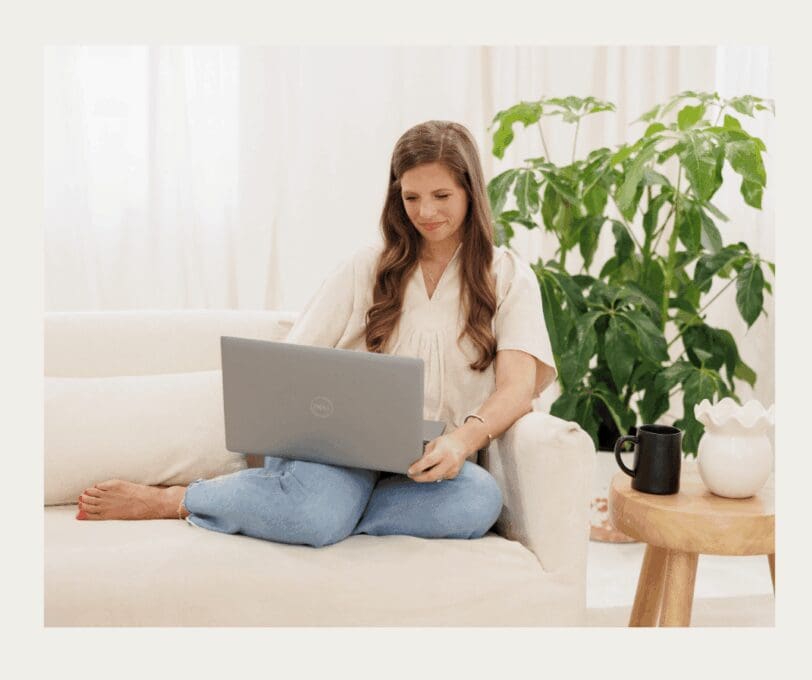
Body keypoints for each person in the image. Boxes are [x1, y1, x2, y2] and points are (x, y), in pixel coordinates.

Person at [77, 120, 556, 546]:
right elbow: (293, 365)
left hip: (428, 461)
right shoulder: (367, 268)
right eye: (411, 197)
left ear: (471, 191)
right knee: (314, 511)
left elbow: (516, 389)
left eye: (442, 196)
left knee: (478, 501)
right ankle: (181, 500)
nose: (425, 212)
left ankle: (320, 512)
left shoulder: (508, 275)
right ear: (396, 195)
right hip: (337, 453)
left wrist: (461, 442)